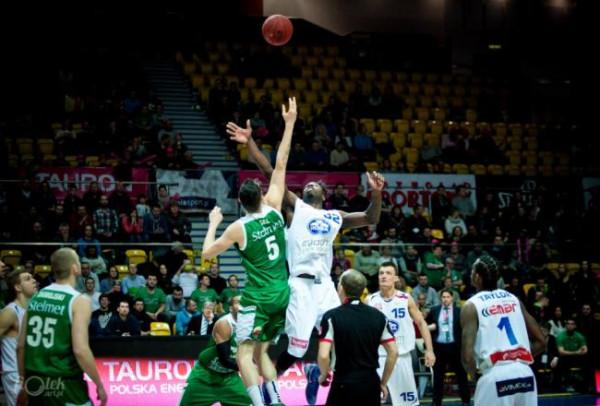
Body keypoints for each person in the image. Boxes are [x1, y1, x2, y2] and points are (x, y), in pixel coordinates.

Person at [228, 109, 385, 388]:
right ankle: (272, 386)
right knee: (298, 348)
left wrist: (376, 194)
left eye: (316, 184)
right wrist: (250, 143)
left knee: (341, 335)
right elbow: (270, 171)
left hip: (325, 285)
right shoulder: (294, 209)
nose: (310, 184)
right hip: (299, 285)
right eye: (307, 184)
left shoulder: (333, 216)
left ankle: (323, 375)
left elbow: (370, 218)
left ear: (324, 195)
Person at [204, 98, 297, 406]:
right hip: (281, 294)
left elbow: (206, 254)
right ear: (261, 194)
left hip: (257, 299)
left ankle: (258, 405)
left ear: (240, 204)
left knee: (243, 351)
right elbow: (280, 163)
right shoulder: (273, 209)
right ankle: (277, 400)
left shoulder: (238, 228)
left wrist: (213, 223)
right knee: (262, 352)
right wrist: (290, 122)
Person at [17, 247, 107, 405]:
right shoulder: (79, 301)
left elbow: (20, 346)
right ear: (74, 268)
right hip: (65, 385)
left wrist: (23, 383)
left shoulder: (36, 298)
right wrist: (98, 384)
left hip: (35, 384)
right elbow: (80, 350)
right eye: (78, 261)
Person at [461, 256, 545, 405]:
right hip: (524, 373)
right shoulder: (514, 299)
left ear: (478, 277)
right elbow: (541, 341)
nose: (470, 275)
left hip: (494, 375)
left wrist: (476, 377)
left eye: (472, 272)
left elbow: (467, 356)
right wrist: (517, 360)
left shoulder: (471, 306)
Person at [317, 270, 398, 406]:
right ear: (362, 290)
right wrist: (383, 383)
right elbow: (393, 352)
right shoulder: (379, 316)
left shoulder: (331, 316)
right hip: (371, 382)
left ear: (341, 287)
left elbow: (324, 355)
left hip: (344, 382)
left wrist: (324, 375)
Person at [367, 263, 435, 406]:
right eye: (381, 273)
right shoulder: (370, 300)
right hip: (378, 359)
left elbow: (422, 324)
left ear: (396, 278)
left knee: (407, 403)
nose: (384, 276)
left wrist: (429, 350)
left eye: (388, 273)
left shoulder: (406, 298)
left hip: (402, 357)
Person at [179, 295, 251, 406]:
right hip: (205, 377)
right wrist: (251, 367)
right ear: (231, 308)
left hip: (229, 378)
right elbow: (225, 360)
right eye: (238, 302)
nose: (242, 305)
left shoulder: (252, 325)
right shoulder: (225, 323)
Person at [426, 289, 470, 406]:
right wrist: (432, 327)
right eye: (443, 297)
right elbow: (427, 326)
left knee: (461, 375)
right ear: (441, 298)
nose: (445, 299)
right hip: (439, 347)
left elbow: (464, 329)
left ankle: (465, 401)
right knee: (438, 377)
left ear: (452, 298)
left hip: (455, 347)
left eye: (447, 297)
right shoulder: (434, 310)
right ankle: (436, 402)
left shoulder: (459, 311)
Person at [0, 269, 37, 406]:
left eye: (33, 277)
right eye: (28, 278)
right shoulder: (10, 312)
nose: (33, 280)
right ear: (17, 287)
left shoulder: (33, 309)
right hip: (15, 374)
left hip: (32, 371)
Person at [555, 318, 590, 392]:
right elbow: (561, 352)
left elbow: (585, 350)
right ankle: (562, 385)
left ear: (575, 326)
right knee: (560, 361)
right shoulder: (561, 336)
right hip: (565, 358)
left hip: (577, 358)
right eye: (568, 324)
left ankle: (586, 385)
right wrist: (576, 352)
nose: (570, 325)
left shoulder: (579, 336)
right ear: (566, 326)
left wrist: (578, 353)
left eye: (572, 324)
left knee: (588, 362)